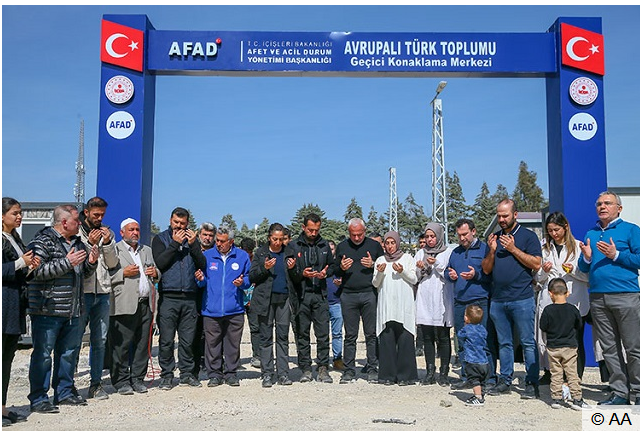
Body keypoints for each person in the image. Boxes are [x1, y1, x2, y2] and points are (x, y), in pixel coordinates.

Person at [27, 204, 98, 413]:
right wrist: (67, 262)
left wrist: (91, 263)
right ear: (64, 222)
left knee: (68, 353)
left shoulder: (77, 242)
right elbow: (35, 271)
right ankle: (39, 397)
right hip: (47, 309)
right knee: (43, 355)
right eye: (77, 220)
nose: (80, 223)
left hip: (73, 309)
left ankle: (64, 392)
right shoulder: (42, 241)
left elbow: (82, 272)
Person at [578, 190, 640, 406]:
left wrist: (616, 255)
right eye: (599, 204)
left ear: (619, 208)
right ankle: (620, 393)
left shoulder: (631, 230)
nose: (602, 207)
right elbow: (582, 267)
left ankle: (638, 391)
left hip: (626, 296)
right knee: (609, 348)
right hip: (598, 298)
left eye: (607, 203)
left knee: (633, 347)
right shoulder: (591, 234)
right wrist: (586, 258)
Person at [482, 199, 542, 399]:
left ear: (515, 215)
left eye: (505, 216)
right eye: (499, 216)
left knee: (527, 342)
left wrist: (514, 249)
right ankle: (505, 380)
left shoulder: (528, 237)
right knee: (504, 343)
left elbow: (536, 263)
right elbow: (486, 269)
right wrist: (491, 250)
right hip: (498, 300)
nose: (501, 219)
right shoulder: (494, 238)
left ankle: (532, 382)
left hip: (522, 298)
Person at [151, 207, 206, 390]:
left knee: (187, 339)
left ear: (187, 223)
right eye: (176, 222)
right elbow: (161, 263)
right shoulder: (160, 239)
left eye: (183, 223)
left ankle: (187, 374)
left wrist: (194, 245)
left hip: (189, 297)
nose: (179, 226)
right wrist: (174, 244)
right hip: (169, 296)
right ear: (170, 220)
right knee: (166, 340)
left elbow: (202, 264)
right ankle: (166, 375)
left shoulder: (193, 241)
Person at [534, 212, 590, 384]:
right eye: (550, 231)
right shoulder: (544, 248)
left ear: (565, 227)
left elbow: (588, 277)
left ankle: (574, 376)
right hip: (550, 300)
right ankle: (550, 372)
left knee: (574, 339)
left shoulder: (579, 247)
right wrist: (544, 270)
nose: (554, 234)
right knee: (548, 338)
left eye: (557, 229)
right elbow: (537, 278)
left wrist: (572, 270)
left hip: (573, 300)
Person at [108, 218, 159, 395]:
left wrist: (156, 273)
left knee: (143, 345)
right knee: (121, 346)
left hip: (146, 304)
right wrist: (123, 273)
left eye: (137, 229)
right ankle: (121, 381)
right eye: (131, 230)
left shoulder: (147, 250)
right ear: (122, 232)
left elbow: (156, 272)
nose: (135, 233)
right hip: (124, 305)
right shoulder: (114, 250)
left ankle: (137, 379)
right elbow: (106, 277)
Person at [76, 197, 118, 401]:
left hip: (102, 292)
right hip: (81, 292)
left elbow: (112, 263)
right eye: (96, 215)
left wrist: (108, 242)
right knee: (74, 340)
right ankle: (68, 385)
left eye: (102, 215)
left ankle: (96, 384)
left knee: (100, 340)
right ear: (86, 213)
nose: (99, 218)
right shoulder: (76, 233)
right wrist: (90, 244)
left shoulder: (107, 233)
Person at [446, 219, 496, 390]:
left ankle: (489, 379)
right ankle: (467, 376)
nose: (462, 238)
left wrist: (476, 275)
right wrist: (450, 274)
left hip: (479, 301)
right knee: (463, 340)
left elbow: (490, 274)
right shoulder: (455, 253)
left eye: (465, 234)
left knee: (483, 339)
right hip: (460, 301)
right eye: (459, 235)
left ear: (473, 231)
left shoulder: (484, 250)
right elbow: (447, 271)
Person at [2, 197, 39, 425]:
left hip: (14, 304)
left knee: (6, 358)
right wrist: (21, 264)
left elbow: (18, 272)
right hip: (3, 304)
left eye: (20, 212)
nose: (19, 216)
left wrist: (29, 268)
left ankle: (3, 407)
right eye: (14, 213)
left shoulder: (14, 238)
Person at [200, 224, 251, 387]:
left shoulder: (242, 256)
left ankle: (231, 373)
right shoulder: (207, 256)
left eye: (222, 241)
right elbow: (201, 280)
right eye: (217, 241)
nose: (219, 244)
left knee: (233, 344)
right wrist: (200, 279)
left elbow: (249, 278)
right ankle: (214, 374)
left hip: (234, 309)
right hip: (211, 309)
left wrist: (243, 282)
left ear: (231, 241)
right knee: (212, 344)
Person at [335, 218, 384, 384]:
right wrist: (341, 268)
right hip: (348, 294)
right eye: (353, 235)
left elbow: (384, 266)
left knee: (371, 334)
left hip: (369, 293)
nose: (356, 238)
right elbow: (334, 269)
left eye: (360, 234)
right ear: (349, 233)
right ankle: (349, 370)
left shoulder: (374, 246)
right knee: (350, 335)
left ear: (365, 230)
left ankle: (372, 368)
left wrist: (373, 264)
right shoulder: (342, 246)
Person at [248, 223, 297, 387]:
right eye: (274, 239)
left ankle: (283, 373)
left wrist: (294, 268)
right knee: (266, 338)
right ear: (269, 237)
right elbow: (252, 276)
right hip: (265, 301)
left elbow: (296, 278)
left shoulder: (289, 252)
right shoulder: (260, 252)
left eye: (281, 239)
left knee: (282, 337)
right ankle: (267, 373)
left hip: (283, 300)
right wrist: (264, 267)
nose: (277, 242)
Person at [289, 213, 335, 383]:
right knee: (303, 334)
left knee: (323, 333)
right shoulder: (294, 246)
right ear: (303, 228)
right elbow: (290, 272)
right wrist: (301, 273)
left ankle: (323, 368)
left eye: (316, 230)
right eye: (310, 230)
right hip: (302, 295)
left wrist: (326, 272)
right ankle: (306, 368)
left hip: (320, 295)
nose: (313, 233)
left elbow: (333, 265)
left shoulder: (324, 244)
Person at [372, 231, 418, 385]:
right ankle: (387, 376)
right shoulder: (379, 259)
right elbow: (375, 283)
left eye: (393, 243)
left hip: (403, 305)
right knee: (387, 341)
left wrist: (402, 271)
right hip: (387, 307)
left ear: (398, 243)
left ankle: (406, 376)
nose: (390, 246)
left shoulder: (407, 258)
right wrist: (379, 272)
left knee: (405, 340)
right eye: (387, 243)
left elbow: (414, 278)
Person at [539, 278, 591, 410]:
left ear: (550, 294)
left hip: (553, 347)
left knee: (556, 373)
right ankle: (577, 399)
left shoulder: (548, 310)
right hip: (570, 346)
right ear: (567, 293)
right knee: (572, 373)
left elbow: (543, 326)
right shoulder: (573, 309)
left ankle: (556, 398)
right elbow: (579, 325)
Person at [415, 222, 453, 386]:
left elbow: (449, 273)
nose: (430, 240)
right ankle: (430, 371)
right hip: (425, 297)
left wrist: (435, 264)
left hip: (441, 297)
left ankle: (444, 372)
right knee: (427, 336)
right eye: (427, 237)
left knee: (443, 336)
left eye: (433, 236)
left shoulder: (448, 253)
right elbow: (415, 277)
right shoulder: (420, 253)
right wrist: (421, 268)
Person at [192, 222, 216, 379]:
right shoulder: (191, 251)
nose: (207, 238)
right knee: (194, 332)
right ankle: (193, 363)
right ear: (199, 235)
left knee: (210, 334)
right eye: (204, 235)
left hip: (210, 298)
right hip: (192, 297)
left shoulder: (216, 253)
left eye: (210, 235)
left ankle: (209, 363)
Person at [457, 305, 490, 407]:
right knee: (482, 380)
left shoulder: (466, 329)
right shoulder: (482, 328)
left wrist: (464, 325)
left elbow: (459, 335)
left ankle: (478, 397)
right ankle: (481, 395)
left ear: (467, 318)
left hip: (472, 361)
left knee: (474, 380)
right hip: (484, 361)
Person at [240, 237, 261, 369]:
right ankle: (233, 358)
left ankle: (257, 355)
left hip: (253, 300)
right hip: (239, 298)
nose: (247, 254)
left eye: (249, 251)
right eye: (245, 251)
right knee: (234, 330)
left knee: (255, 328)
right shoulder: (239, 259)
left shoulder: (257, 261)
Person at [327, 240, 345, 371]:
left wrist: (341, 283)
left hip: (337, 302)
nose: (330, 251)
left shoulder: (340, 266)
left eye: (332, 249)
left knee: (337, 333)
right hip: (322, 302)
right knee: (321, 334)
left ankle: (337, 359)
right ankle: (322, 361)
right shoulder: (320, 264)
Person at [414, 233, 427, 358]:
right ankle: (419, 346)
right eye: (421, 242)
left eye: (425, 242)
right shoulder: (418, 255)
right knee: (420, 321)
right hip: (419, 291)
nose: (423, 244)